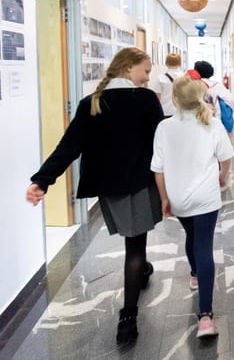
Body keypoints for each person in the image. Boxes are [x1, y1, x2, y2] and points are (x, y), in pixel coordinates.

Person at [26, 47, 164, 345]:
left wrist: (42, 180)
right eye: (146, 70)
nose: (148, 77)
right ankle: (127, 318)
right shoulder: (145, 99)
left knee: (133, 239)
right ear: (128, 69)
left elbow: (69, 146)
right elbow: (161, 142)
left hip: (108, 187)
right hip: (139, 183)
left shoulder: (91, 103)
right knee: (135, 246)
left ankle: (143, 271)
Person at [151, 75, 234, 338]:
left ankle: (196, 274)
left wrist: (164, 198)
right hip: (206, 198)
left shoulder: (164, 128)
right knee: (204, 245)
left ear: (174, 100)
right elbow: (227, 158)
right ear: (201, 96)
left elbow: (159, 170)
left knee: (192, 236)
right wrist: (223, 176)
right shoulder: (213, 123)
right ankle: (205, 317)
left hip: (179, 198)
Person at [149, 52, 183, 117]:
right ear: (180, 63)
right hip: (181, 111)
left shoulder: (161, 78)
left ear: (166, 63)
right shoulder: (185, 77)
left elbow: (157, 98)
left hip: (166, 111)